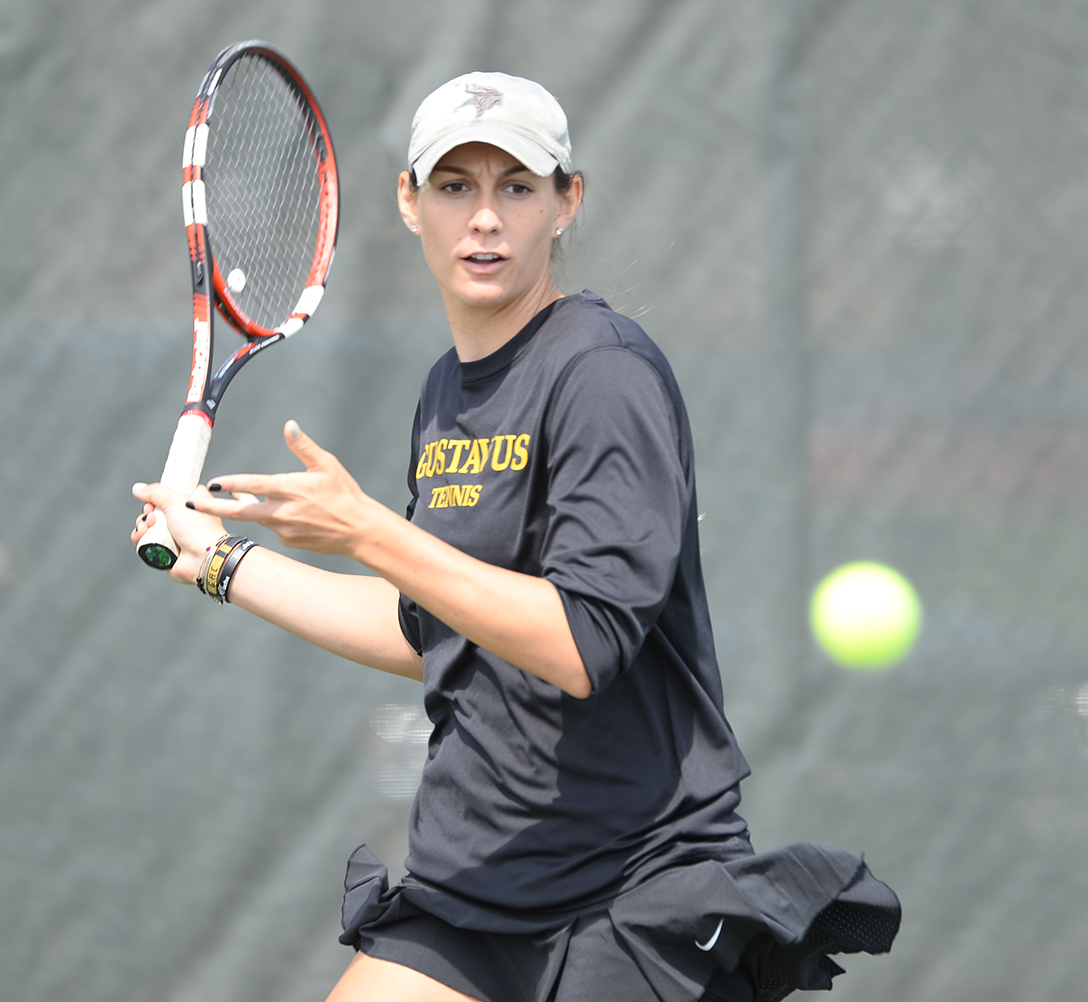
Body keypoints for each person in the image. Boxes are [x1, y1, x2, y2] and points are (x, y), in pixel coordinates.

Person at [132, 72, 898, 1002]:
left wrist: (369, 528)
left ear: (567, 202)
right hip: (478, 884)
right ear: (409, 204)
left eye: (517, 187)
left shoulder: (604, 372)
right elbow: (435, 630)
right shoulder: (443, 394)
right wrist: (221, 564)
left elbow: (579, 643)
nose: (483, 219)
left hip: (630, 892)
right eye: (454, 187)